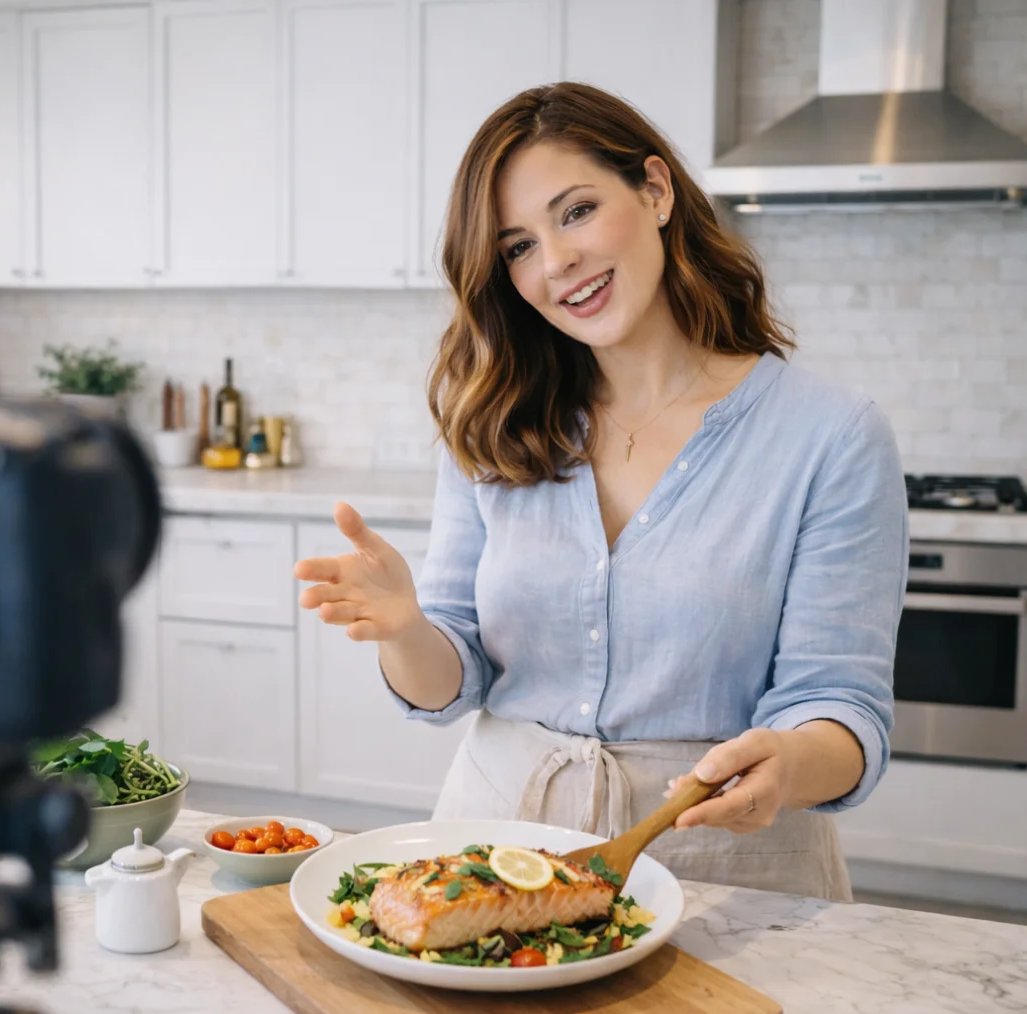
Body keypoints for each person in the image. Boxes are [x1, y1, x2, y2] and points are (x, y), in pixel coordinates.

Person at [293, 83, 907, 901]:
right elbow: (449, 685)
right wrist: (405, 629)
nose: (556, 263)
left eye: (575, 212)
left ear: (655, 190)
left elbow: (841, 704)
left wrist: (789, 763)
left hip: (723, 867)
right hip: (494, 855)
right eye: (517, 247)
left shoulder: (829, 436)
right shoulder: (494, 422)